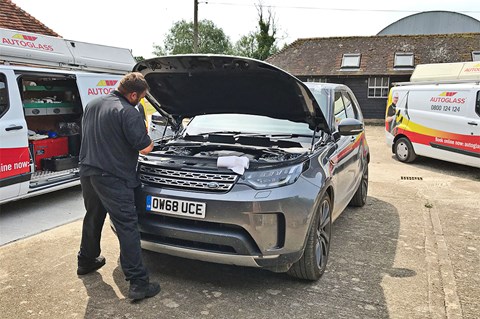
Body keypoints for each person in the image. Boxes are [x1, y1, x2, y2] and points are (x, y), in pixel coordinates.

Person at [76, 72, 160, 301]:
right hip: (113, 177)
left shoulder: (93, 104)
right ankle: (138, 283)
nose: (141, 101)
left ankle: (86, 261)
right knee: (127, 226)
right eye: (142, 98)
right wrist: (150, 136)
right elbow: (145, 148)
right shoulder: (128, 112)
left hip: (88, 171)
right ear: (133, 94)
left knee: (93, 216)